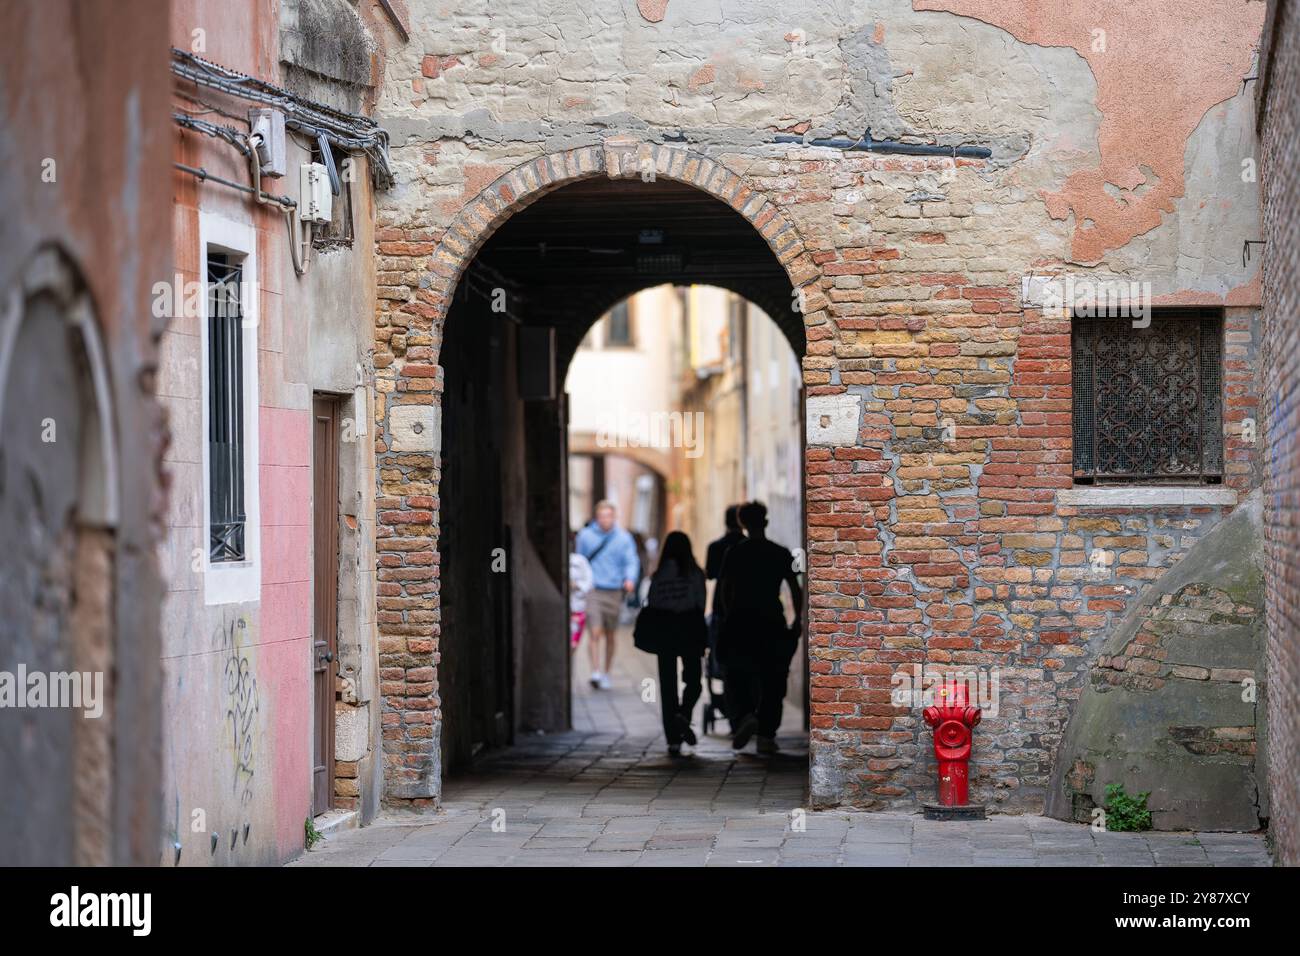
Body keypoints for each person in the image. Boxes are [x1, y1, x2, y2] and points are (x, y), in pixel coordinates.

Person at [716, 500, 803, 754]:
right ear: (765, 522)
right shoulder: (780, 552)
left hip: (740, 620)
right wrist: (797, 619)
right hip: (771, 620)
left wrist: (727, 615)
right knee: (774, 678)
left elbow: (725, 589)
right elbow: (795, 588)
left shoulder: (734, 553)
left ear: (742, 524)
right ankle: (766, 734)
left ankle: (744, 716)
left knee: (736, 674)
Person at [643, 531, 707, 756]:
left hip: (665, 630)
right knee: (694, 680)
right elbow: (701, 603)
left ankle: (673, 740)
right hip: (689, 627)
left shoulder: (659, 575)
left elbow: (652, 602)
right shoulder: (695, 573)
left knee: (667, 685)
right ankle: (685, 712)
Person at [575, 500, 640, 690]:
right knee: (595, 631)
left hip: (614, 590)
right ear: (597, 517)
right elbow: (580, 560)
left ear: (614, 517)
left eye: (609, 516)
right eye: (602, 516)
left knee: (611, 634)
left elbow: (631, 560)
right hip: (593, 589)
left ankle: (606, 672)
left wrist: (630, 579)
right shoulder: (586, 536)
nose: (606, 520)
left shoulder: (623, 538)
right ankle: (595, 671)